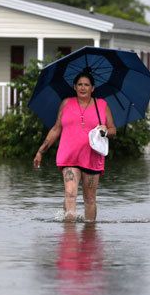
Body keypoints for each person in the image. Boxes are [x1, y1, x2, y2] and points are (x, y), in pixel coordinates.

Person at [33, 72, 116, 222]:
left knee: (89, 199)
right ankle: (69, 234)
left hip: (92, 158)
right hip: (69, 157)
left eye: (86, 85)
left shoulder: (101, 105)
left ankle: (90, 233)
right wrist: (40, 151)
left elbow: (112, 130)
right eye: (79, 84)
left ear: (93, 88)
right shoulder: (66, 103)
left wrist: (105, 131)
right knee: (70, 193)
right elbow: (56, 129)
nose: (83, 88)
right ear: (74, 86)